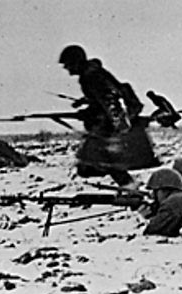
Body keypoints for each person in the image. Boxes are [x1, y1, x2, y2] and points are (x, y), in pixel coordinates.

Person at [58, 44, 158, 188]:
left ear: (76, 62)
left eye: (68, 65)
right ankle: (128, 184)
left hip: (112, 122)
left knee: (99, 156)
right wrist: (85, 103)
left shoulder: (90, 76)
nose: (67, 69)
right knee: (99, 158)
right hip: (111, 120)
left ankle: (129, 185)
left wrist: (119, 125)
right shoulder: (91, 73)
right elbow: (102, 95)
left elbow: (110, 99)